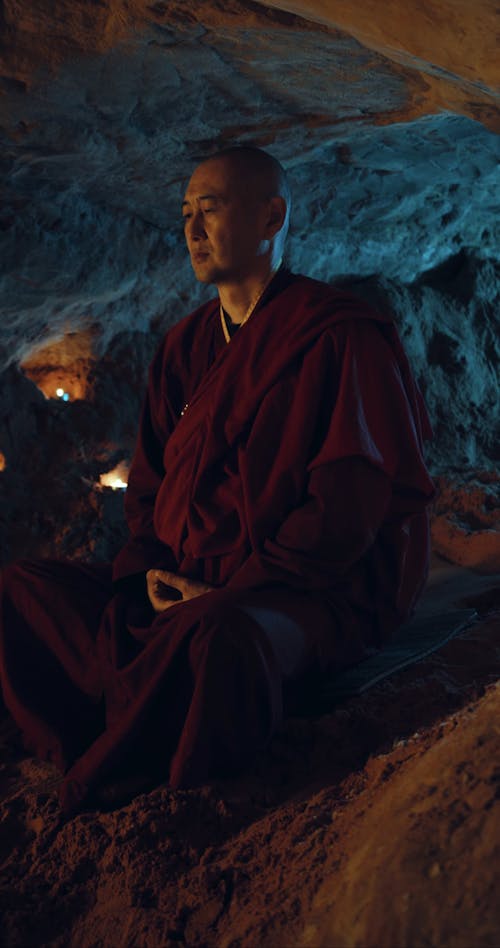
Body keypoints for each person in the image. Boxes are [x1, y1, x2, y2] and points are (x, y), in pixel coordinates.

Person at [0, 146, 435, 814]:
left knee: (217, 643)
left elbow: (346, 510)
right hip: (174, 582)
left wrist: (225, 590)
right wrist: (146, 570)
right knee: (22, 589)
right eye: (184, 214)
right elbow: (148, 484)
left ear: (271, 217)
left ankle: (131, 753)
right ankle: (125, 718)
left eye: (210, 209)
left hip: (288, 593)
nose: (191, 230)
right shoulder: (183, 347)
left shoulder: (339, 336)